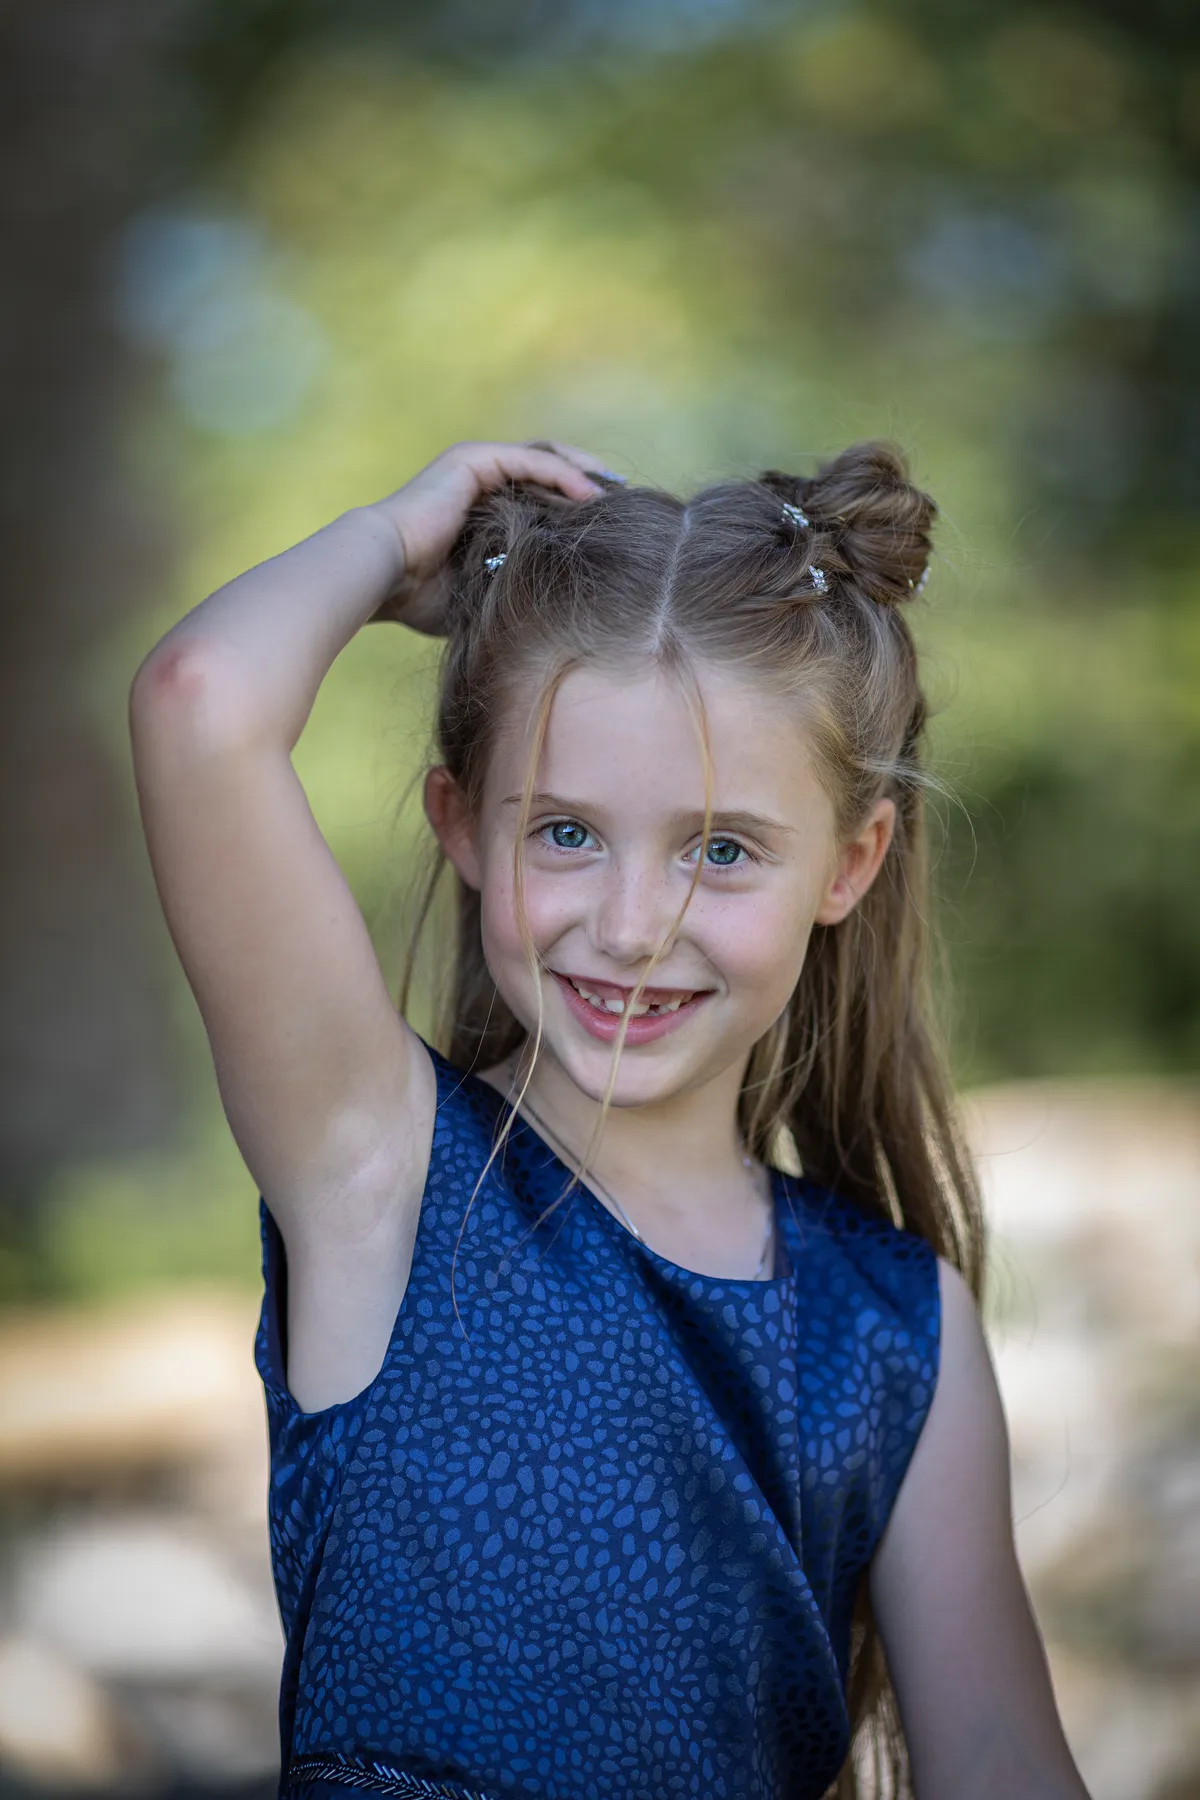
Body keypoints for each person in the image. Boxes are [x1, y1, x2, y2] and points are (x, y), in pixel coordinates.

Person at [130, 439, 1092, 1800]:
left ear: (850, 861)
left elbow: (1001, 1765)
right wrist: (400, 543)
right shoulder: (385, 1173)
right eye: (567, 832)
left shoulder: (894, 1330)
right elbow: (197, 701)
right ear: (462, 825)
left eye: (720, 848)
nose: (634, 929)